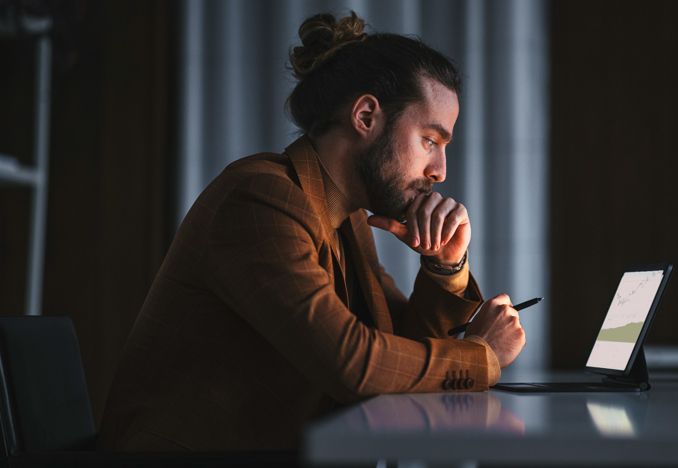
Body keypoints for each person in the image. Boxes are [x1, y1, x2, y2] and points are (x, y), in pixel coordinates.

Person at [98, 11, 525, 452]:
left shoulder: (347, 220)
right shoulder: (259, 198)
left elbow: (397, 349)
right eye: (430, 141)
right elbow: (353, 363)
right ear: (365, 116)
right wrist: (481, 356)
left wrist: (444, 266)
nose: (440, 171)